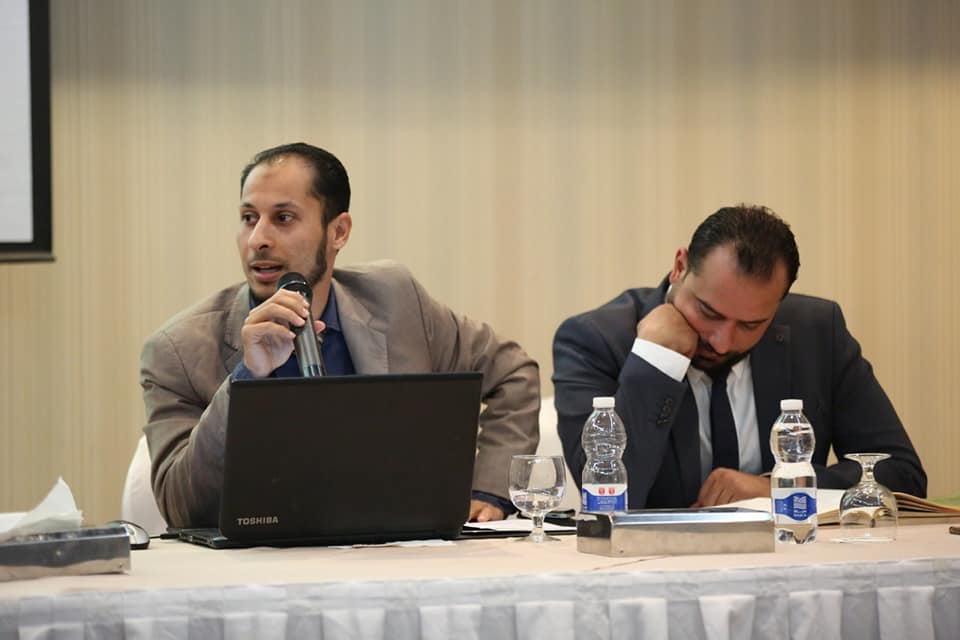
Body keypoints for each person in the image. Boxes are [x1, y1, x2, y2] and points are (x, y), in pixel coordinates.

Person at [141, 143, 540, 528]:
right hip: (260, 562)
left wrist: (489, 491)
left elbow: (511, 374)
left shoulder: (395, 301)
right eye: (249, 218)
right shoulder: (179, 350)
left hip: (394, 553)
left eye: (283, 218)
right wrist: (246, 378)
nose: (257, 239)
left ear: (339, 232)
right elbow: (181, 508)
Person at [552, 205, 926, 509]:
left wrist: (779, 487)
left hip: (790, 560)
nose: (722, 341)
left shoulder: (816, 332)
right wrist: (655, 362)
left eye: (751, 324)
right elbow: (608, 499)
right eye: (708, 312)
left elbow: (901, 475)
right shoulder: (595, 340)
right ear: (680, 267)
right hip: (651, 568)